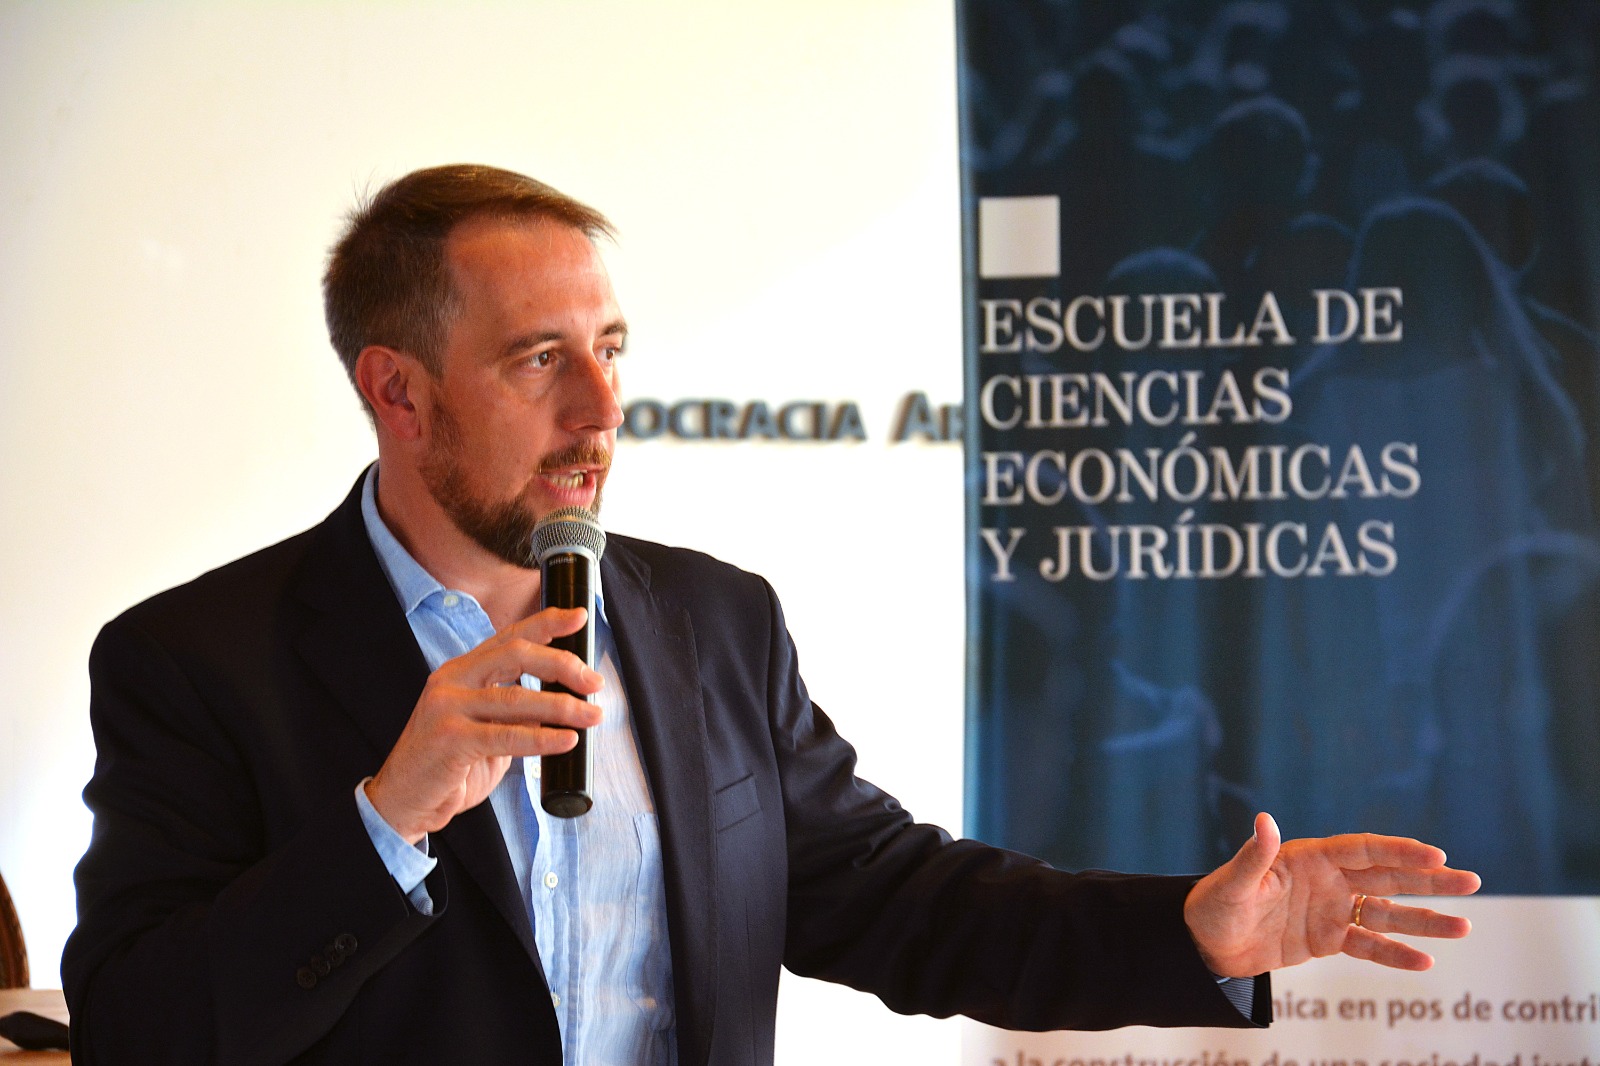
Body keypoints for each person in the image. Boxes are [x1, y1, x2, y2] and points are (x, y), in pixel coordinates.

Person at [61, 164, 1480, 1066]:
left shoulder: (712, 623)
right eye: (540, 360)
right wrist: (387, 820)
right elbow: (139, 1028)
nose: (602, 408)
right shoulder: (195, 662)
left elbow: (904, 902)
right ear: (399, 392)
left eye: (611, 349)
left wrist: (1189, 934)